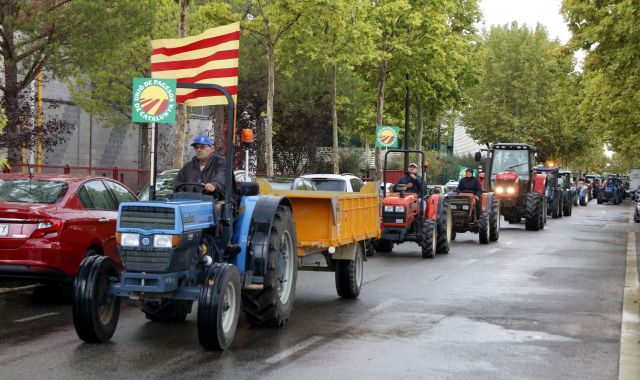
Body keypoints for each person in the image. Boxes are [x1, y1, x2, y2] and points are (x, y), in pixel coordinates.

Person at [173, 135, 226, 199]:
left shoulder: (221, 163)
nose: (199, 150)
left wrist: (214, 185)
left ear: (212, 149)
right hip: (189, 202)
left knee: (218, 207)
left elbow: (222, 176)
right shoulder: (187, 167)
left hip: (214, 200)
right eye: (196, 147)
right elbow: (178, 185)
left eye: (202, 147)